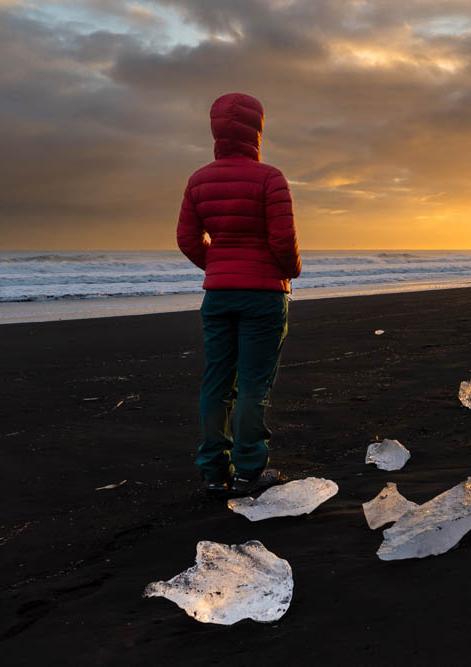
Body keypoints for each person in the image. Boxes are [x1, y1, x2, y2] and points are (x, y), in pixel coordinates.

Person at [177, 92, 302, 496]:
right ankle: (249, 469)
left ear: (215, 129)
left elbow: (187, 239)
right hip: (263, 295)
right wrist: (290, 270)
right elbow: (282, 240)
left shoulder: (198, 180)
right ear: (257, 129)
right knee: (253, 382)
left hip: (219, 295)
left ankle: (214, 470)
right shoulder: (269, 177)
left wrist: (217, 264)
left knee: (217, 380)